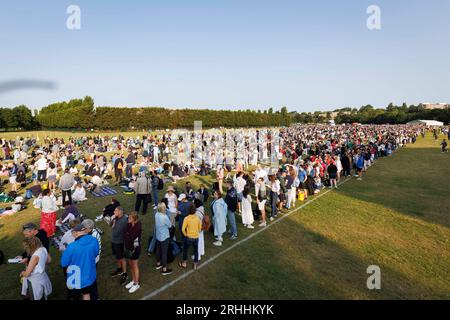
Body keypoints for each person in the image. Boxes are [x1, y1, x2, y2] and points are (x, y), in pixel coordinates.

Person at [61, 220, 100, 300]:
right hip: (90, 272)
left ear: (75, 233)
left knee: (75, 296)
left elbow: (64, 263)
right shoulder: (94, 240)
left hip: (75, 275)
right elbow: (96, 254)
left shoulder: (71, 247)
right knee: (86, 293)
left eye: (72, 233)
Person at [179, 203, 202, 270]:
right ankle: (195, 265)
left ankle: (184, 263)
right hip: (196, 237)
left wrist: (186, 234)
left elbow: (183, 229)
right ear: (195, 211)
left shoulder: (186, 218)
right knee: (196, 251)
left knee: (185, 250)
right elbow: (200, 228)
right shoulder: (197, 218)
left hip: (188, 237)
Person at [123, 212, 142, 293]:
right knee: (131, 265)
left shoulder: (137, 227)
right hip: (128, 247)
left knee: (135, 265)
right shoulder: (129, 224)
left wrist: (127, 235)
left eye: (130, 218)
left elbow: (131, 237)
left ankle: (136, 283)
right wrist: (127, 235)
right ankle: (133, 280)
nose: (128, 219)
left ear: (134, 219)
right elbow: (125, 234)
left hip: (135, 249)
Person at [110, 206, 129, 285]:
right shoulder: (116, 217)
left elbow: (115, 233)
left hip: (119, 242)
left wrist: (113, 225)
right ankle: (119, 269)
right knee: (117, 257)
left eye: (115, 211)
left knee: (122, 258)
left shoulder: (124, 220)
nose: (114, 212)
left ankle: (125, 274)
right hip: (114, 241)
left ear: (120, 212)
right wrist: (112, 220)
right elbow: (110, 225)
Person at [154, 202, 173, 275]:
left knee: (158, 250)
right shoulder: (164, 217)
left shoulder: (156, 214)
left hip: (158, 235)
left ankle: (158, 263)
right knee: (164, 253)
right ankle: (164, 269)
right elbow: (170, 225)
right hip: (164, 236)